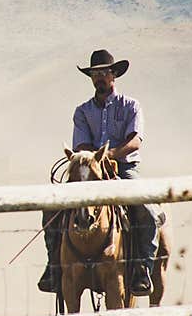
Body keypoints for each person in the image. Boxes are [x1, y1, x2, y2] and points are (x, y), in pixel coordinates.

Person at [38, 49, 159, 297]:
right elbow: (80, 146)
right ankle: (53, 266)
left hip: (124, 168)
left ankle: (142, 269)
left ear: (114, 75)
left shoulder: (131, 106)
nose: (100, 78)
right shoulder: (82, 112)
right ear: (91, 78)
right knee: (51, 207)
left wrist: (110, 155)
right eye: (95, 74)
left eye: (104, 72)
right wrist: (94, 161)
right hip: (89, 171)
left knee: (146, 209)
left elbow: (135, 141)